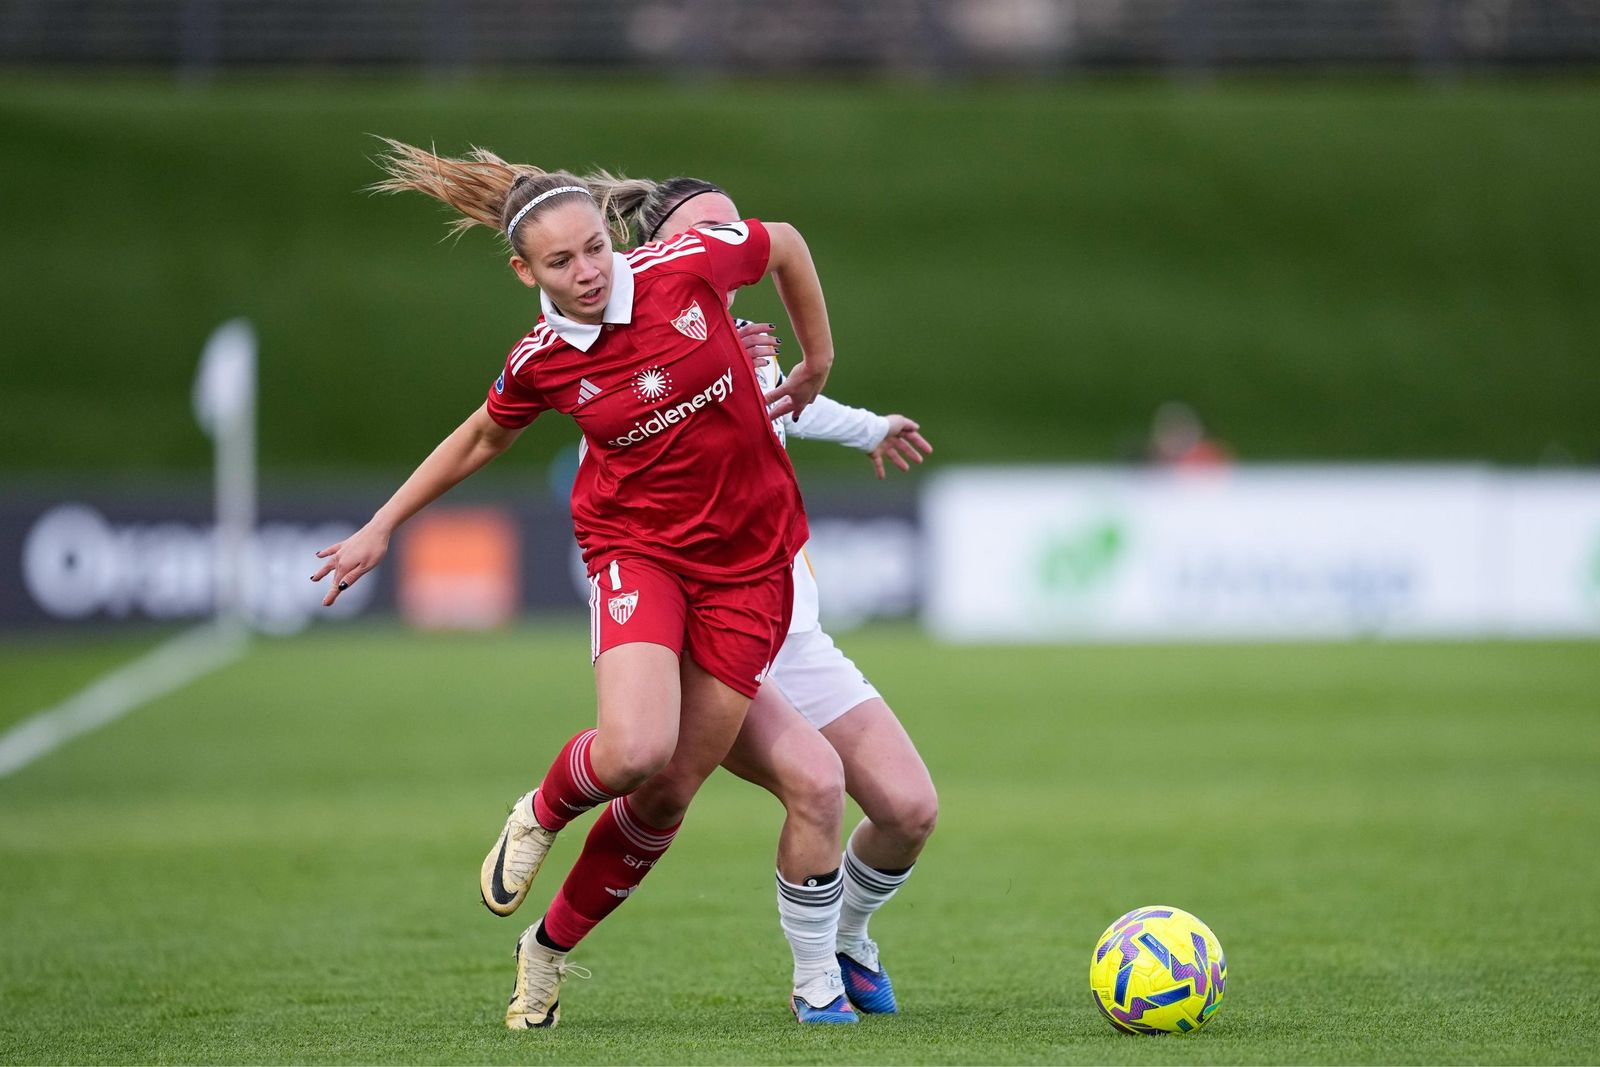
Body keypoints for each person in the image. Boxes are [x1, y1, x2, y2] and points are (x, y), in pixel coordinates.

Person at [312, 141, 837, 1030]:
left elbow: (783, 240)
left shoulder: (684, 267)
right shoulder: (540, 360)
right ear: (525, 272)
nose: (589, 270)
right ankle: (539, 811)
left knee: (668, 790)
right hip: (639, 552)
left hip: (752, 567)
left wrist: (816, 362)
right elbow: (481, 437)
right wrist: (381, 524)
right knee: (633, 751)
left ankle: (546, 951)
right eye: (561, 261)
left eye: (596, 246)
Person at [608, 177, 939, 1023]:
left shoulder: (739, 349)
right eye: (708, 228)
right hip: (722, 643)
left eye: (733, 222)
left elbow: (786, 403)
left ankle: (849, 935)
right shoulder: (634, 359)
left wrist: (870, 426)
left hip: (798, 635)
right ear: (661, 256)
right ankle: (813, 982)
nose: (732, 237)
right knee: (817, 788)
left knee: (908, 809)